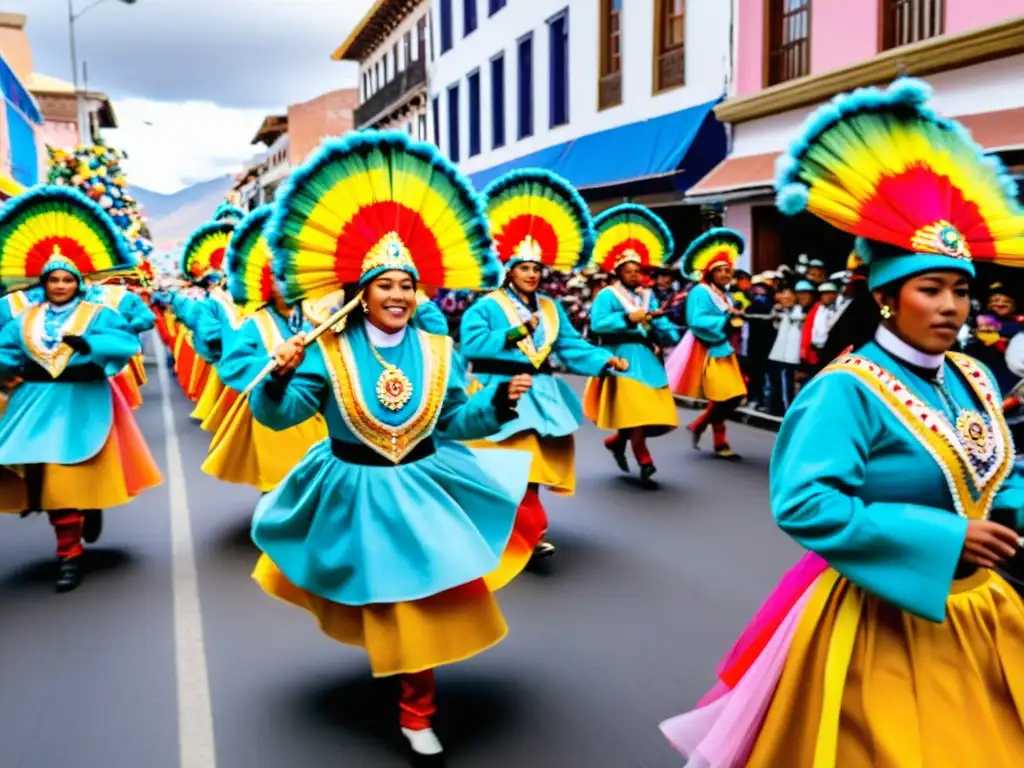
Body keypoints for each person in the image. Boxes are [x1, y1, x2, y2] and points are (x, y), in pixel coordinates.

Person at [660, 77, 1024, 767]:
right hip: (884, 617)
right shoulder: (845, 390)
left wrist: (1011, 509)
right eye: (932, 289)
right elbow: (806, 503)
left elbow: (1000, 468)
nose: (951, 306)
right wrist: (947, 536)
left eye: (962, 290)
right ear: (887, 300)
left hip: (983, 610)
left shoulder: (974, 377)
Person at [246, 131, 533, 758]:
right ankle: (403, 684)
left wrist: (498, 405)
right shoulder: (324, 350)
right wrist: (279, 372)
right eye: (386, 285)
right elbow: (278, 415)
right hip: (354, 486)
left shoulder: (439, 350)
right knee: (383, 602)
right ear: (363, 292)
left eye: (408, 285)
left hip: (424, 481)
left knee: (419, 603)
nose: (399, 295)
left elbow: (455, 420)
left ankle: (416, 709)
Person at [0, 187, 162, 592]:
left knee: (67, 477)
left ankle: (69, 554)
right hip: (34, 403)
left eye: (66, 279)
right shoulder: (25, 318)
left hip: (84, 401)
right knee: (50, 479)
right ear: (43, 282)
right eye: (53, 279)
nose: (59, 285)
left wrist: (88, 345)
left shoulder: (97, 313)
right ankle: (70, 541)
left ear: (77, 281)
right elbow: (5, 349)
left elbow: (126, 342)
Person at [460, 169, 624, 569]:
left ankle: (526, 534)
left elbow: (569, 345)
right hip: (498, 391)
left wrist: (605, 360)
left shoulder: (551, 308)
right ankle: (530, 533)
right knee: (505, 469)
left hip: (541, 393)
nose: (532, 273)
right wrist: (516, 331)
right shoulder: (485, 305)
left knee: (531, 469)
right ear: (509, 269)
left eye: (536, 268)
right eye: (524, 267)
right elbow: (472, 345)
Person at [202, 205, 329, 491]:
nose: (286, 284)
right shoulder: (254, 323)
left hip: (316, 413)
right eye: (279, 277)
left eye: (292, 276)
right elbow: (233, 365)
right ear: (266, 281)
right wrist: (273, 365)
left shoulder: (318, 316)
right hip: (274, 409)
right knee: (280, 484)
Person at [582, 203, 679, 484]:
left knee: (643, 409)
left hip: (646, 357)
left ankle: (617, 441)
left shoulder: (647, 297)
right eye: (629, 270)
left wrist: (659, 323)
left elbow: (663, 330)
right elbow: (599, 323)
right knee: (635, 410)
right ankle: (645, 460)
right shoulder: (608, 295)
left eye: (638, 270)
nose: (635, 274)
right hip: (621, 356)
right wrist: (629, 317)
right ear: (618, 272)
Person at [665, 228, 748, 460]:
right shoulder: (701, 291)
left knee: (731, 396)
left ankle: (701, 426)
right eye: (720, 270)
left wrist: (734, 319)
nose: (725, 274)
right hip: (707, 349)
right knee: (728, 396)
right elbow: (696, 320)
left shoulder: (725, 295)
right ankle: (717, 440)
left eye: (728, 269)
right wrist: (726, 321)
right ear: (709, 273)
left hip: (723, 349)